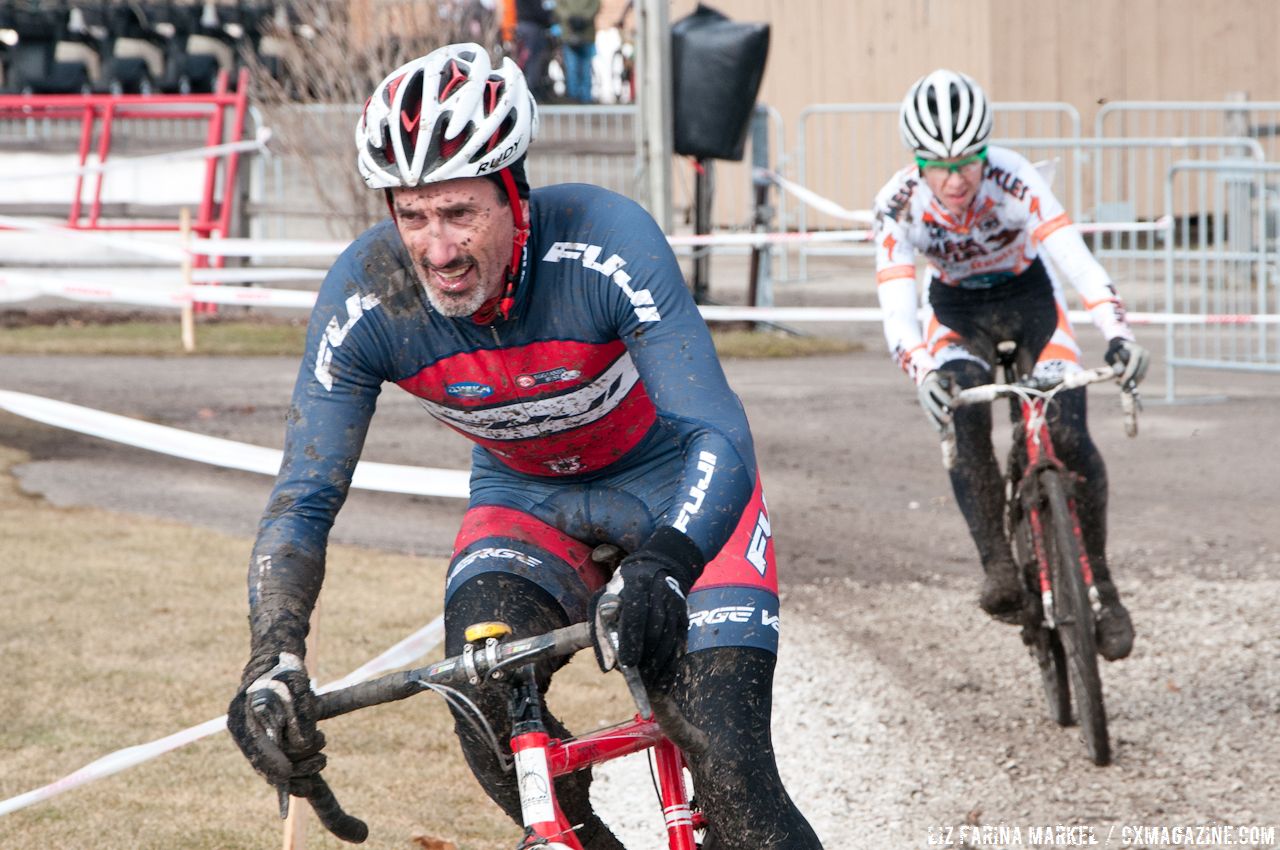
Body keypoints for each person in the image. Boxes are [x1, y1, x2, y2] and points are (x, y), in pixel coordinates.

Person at [226, 43, 824, 849]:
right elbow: (303, 497)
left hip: (678, 490)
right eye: (413, 215)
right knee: (487, 717)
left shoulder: (606, 243)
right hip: (525, 502)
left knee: (730, 764)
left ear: (515, 192)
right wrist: (273, 656)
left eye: (460, 212)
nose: (437, 251)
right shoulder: (367, 300)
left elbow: (719, 431)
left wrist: (670, 562)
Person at [872, 69, 1150, 661]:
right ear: (917, 162)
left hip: (1029, 303)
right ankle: (998, 564)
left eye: (967, 161)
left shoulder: (1014, 177)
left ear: (984, 151)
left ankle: (1102, 586)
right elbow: (897, 307)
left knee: (1069, 434)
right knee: (964, 411)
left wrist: (1118, 334)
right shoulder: (896, 206)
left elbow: (1074, 258)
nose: (955, 178)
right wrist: (922, 370)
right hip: (955, 314)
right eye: (938, 164)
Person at [555, 0, 600, 103]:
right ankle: (574, 98)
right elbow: (559, 7)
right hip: (569, 34)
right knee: (572, 68)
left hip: (586, 34)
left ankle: (585, 99)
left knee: (585, 69)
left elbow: (595, 5)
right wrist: (570, 18)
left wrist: (584, 18)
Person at [515, 0, 555, 100]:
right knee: (534, 61)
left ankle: (528, 90)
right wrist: (550, 18)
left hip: (523, 25)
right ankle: (531, 91)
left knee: (527, 60)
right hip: (533, 27)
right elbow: (539, 11)